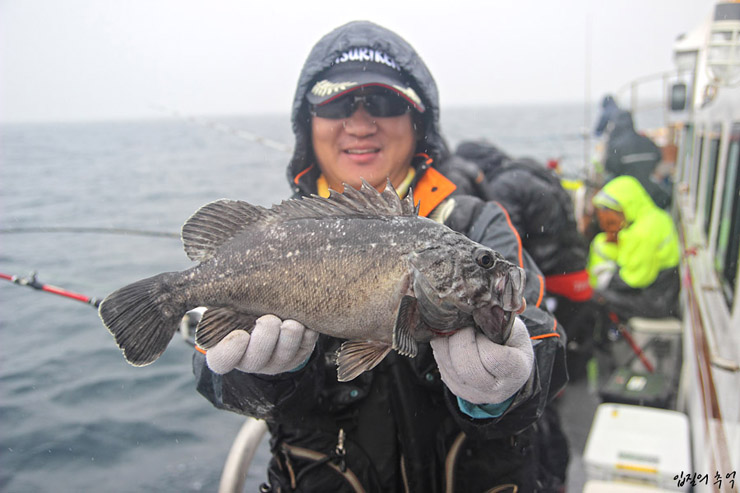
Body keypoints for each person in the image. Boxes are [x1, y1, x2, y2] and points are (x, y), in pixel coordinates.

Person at [193, 21, 568, 492]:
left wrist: (506, 387)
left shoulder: (475, 223)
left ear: (418, 123)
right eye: (335, 103)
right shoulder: (276, 237)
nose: (359, 123)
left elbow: (541, 337)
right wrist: (266, 379)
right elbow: (213, 373)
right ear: (308, 125)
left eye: (385, 103)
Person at [455, 140, 597, 379]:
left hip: (552, 278)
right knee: (571, 342)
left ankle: (548, 385)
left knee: (547, 348)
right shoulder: (527, 169)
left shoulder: (501, 186)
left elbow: (509, 239)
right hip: (577, 267)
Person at [587, 175, 680, 322]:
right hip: (664, 294)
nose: (609, 228)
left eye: (611, 222)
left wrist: (604, 282)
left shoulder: (642, 233)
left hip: (655, 302)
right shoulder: (656, 216)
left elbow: (634, 280)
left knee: (593, 297)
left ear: (624, 208)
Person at [603, 110, 672, 208]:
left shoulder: (616, 146)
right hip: (650, 193)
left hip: (626, 194)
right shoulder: (647, 142)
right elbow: (659, 158)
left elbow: (609, 167)